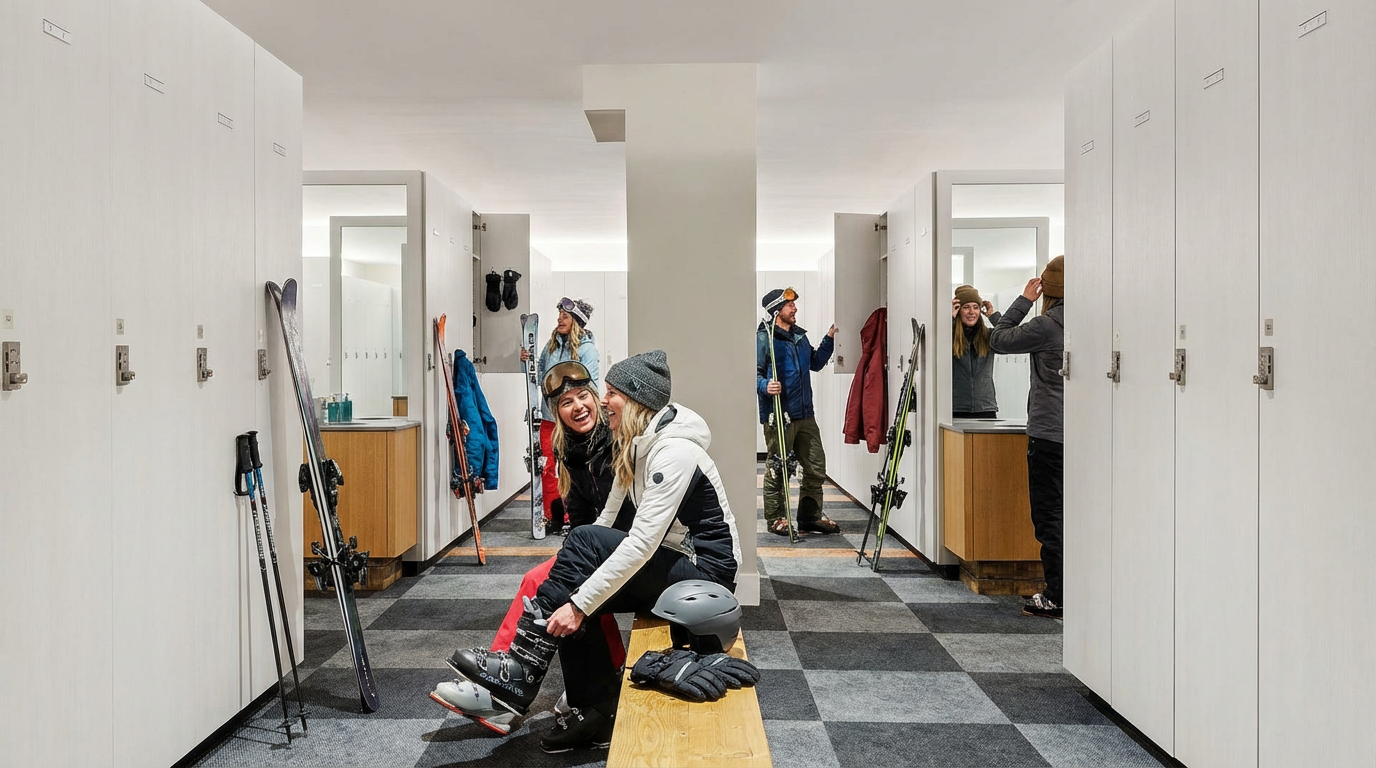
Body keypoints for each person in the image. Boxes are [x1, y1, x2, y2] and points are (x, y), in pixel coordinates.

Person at [446, 350, 745, 753]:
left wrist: (580, 604)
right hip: (676, 570)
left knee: (580, 570)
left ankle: (523, 667)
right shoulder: (638, 445)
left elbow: (641, 543)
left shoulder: (674, 452)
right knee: (576, 571)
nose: (603, 402)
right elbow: (602, 523)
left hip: (706, 581)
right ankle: (595, 708)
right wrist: (575, 593)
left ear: (636, 398)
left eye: (610, 393)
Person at [428, 360, 634, 734]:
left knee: (549, 583)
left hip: (631, 547)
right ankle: (505, 685)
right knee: (542, 580)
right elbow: (580, 517)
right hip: (597, 547)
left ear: (597, 399)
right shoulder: (570, 450)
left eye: (583, 396)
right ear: (557, 413)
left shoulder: (619, 440)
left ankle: (505, 689)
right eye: (567, 403)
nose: (578, 407)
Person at [989, 256, 1065, 619]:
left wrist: (1024, 300)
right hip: (1091, 436)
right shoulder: (1103, 320)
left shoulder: (1048, 324)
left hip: (1050, 434)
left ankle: (1058, 595)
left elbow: (999, 338)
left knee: (1050, 516)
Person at [756, 288, 841, 536]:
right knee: (778, 467)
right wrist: (765, 385)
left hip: (805, 414)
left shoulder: (799, 338)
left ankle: (810, 516)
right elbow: (754, 373)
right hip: (780, 415)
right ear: (776, 310)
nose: (794, 309)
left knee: (815, 466)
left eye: (794, 305)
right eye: (789, 305)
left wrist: (829, 339)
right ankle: (776, 519)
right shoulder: (764, 339)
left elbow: (814, 363)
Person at [520, 297, 599, 534]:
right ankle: (549, 514)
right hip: (548, 417)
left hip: (571, 420)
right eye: (559, 316)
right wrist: (526, 360)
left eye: (564, 316)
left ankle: (569, 516)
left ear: (576, 321)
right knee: (546, 467)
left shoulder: (587, 350)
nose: (559, 320)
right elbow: (539, 372)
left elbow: (590, 386)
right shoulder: (552, 345)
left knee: (569, 468)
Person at [951, 284, 1000, 419]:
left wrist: (993, 316)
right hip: (956, 408)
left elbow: (1011, 338)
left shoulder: (989, 336)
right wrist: (949, 319)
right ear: (958, 310)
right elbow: (935, 344)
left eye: (976, 307)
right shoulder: (949, 338)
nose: (972, 312)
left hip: (985, 408)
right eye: (966, 307)